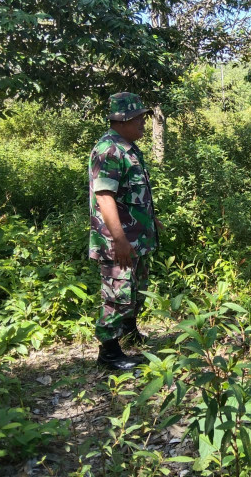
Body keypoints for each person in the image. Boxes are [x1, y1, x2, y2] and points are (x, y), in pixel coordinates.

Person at [89, 92, 161, 370]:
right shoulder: (109, 149)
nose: (143, 124)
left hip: (136, 236)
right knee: (117, 293)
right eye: (140, 119)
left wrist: (152, 220)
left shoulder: (127, 147)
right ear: (124, 120)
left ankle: (128, 334)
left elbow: (131, 194)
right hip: (118, 240)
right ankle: (109, 352)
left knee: (134, 289)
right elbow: (105, 196)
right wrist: (119, 239)